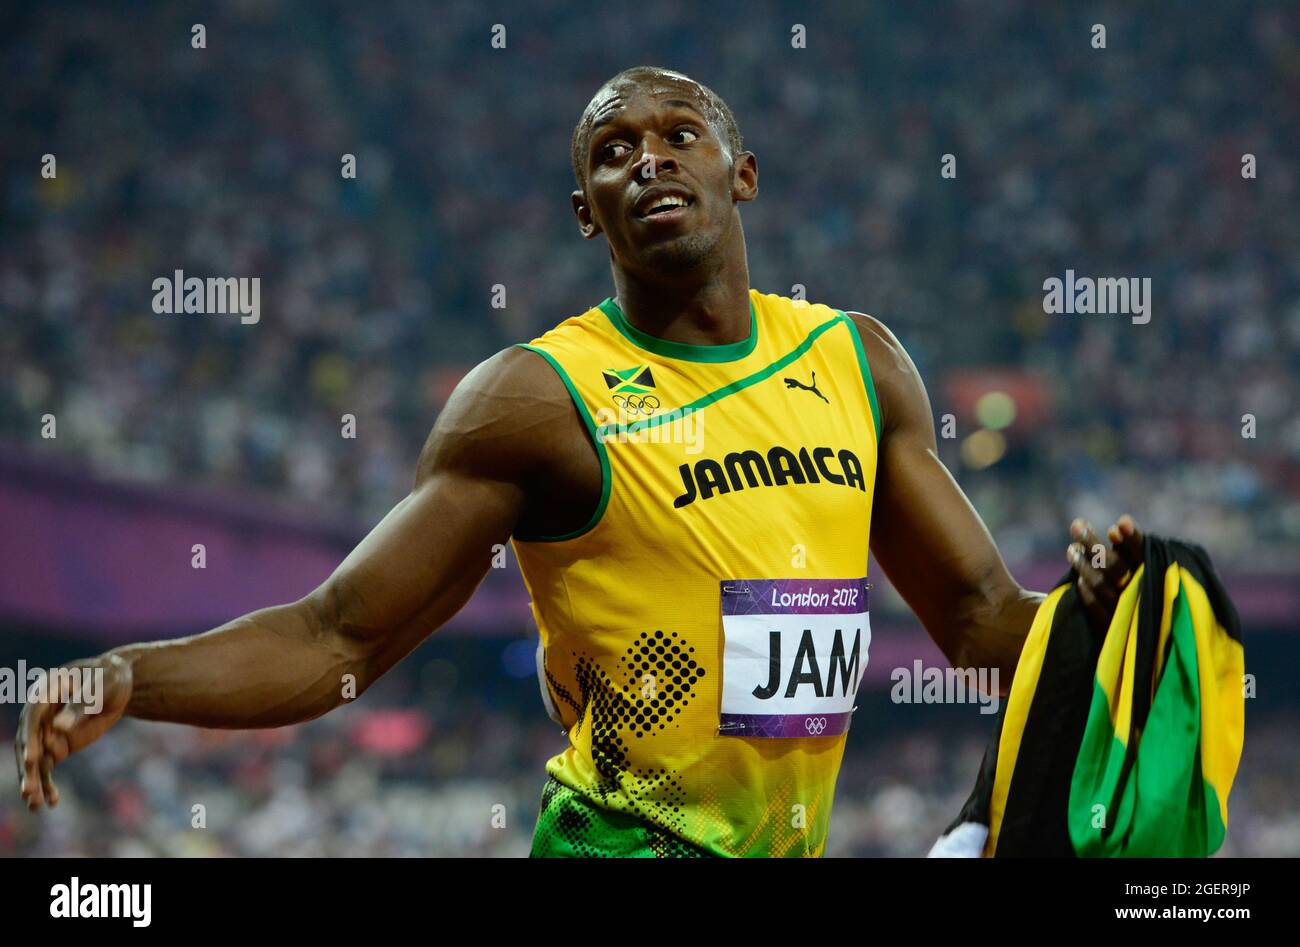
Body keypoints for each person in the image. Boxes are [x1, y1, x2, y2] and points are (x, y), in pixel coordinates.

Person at [14, 66, 1143, 857]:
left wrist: (1104, 619)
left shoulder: (859, 363)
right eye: (613, 153)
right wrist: (130, 672)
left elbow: (983, 618)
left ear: (740, 174)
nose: (646, 160)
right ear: (584, 212)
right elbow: (338, 635)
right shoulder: (534, 401)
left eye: (675, 137)